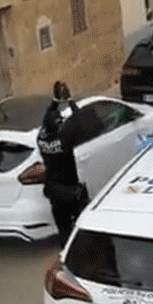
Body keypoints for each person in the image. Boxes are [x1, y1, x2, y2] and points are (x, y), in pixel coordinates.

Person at [37, 82, 89, 245]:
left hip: (54, 191)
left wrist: (55, 101)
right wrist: (70, 101)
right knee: (81, 225)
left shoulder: (40, 138)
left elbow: (48, 117)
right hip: (70, 190)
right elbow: (79, 120)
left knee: (63, 228)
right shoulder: (65, 138)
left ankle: (65, 252)